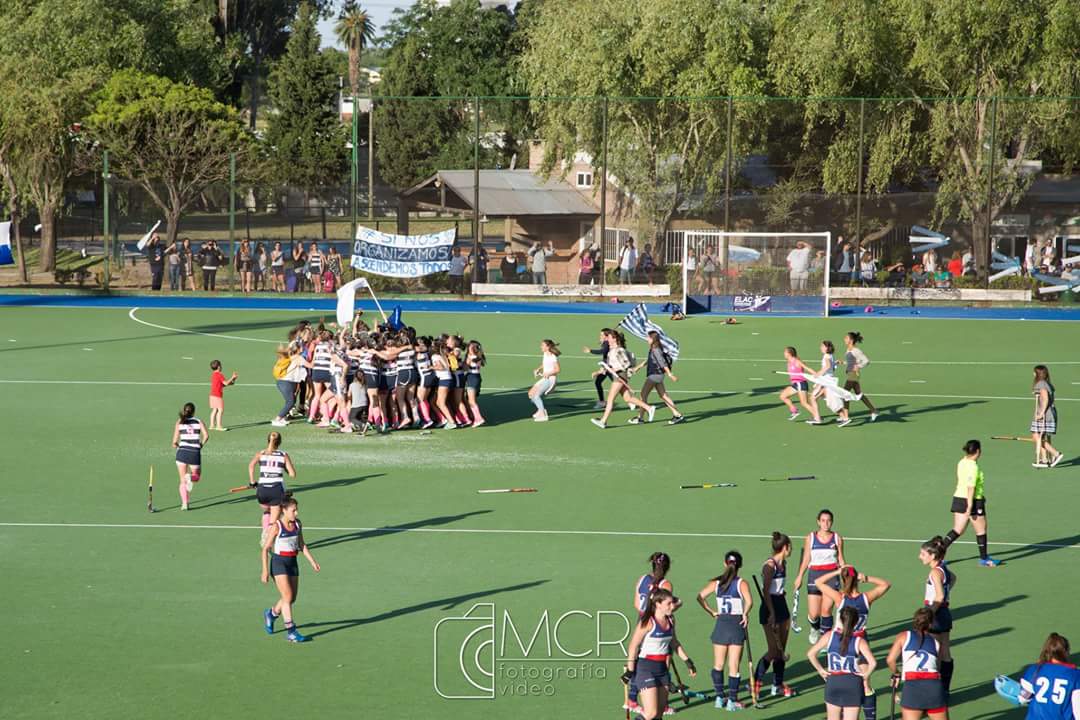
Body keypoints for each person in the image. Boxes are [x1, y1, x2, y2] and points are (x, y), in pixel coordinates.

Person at [624, 588, 696, 720]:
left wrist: (688, 661)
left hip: (662, 669)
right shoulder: (648, 622)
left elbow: (674, 642)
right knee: (650, 713)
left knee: (659, 713)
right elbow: (633, 646)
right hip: (646, 668)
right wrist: (630, 671)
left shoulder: (671, 620)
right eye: (668, 603)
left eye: (672, 603)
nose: (672, 606)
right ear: (658, 604)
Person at [697, 550, 753, 711]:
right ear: (740, 565)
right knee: (733, 665)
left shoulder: (716, 583)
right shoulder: (742, 583)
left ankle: (719, 697)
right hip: (736, 624)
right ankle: (732, 700)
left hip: (721, 624)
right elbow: (749, 602)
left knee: (718, 664)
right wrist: (745, 613)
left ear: (724, 564)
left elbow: (700, 597)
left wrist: (712, 611)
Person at [627, 552, 680, 715]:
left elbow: (637, 604)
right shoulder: (666, 584)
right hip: (657, 625)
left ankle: (632, 699)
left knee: (638, 659)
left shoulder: (642, 579)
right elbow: (668, 608)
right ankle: (659, 702)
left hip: (641, 622)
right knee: (663, 658)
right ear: (668, 567)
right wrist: (679, 604)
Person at [261, 497, 320, 643]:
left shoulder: (298, 524)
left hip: (293, 562)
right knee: (287, 596)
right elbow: (265, 549)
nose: (296, 513)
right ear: (284, 510)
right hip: (279, 563)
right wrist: (265, 571)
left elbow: (302, 544)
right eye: (293, 510)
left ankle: (272, 614)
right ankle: (291, 631)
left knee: (291, 598)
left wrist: (312, 561)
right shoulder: (277, 526)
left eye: (296, 510)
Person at [808, 606, 877, 720]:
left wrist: (820, 670)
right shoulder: (860, 641)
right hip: (853, 683)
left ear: (840, 619)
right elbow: (873, 663)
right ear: (856, 623)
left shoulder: (829, 636)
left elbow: (811, 654)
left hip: (833, 682)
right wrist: (865, 676)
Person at [939, 439, 1000, 566]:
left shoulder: (962, 462)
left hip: (958, 498)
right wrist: (970, 505)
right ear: (978, 451)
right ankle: (984, 559)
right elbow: (970, 486)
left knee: (957, 530)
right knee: (981, 530)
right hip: (971, 500)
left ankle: (937, 556)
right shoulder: (973, 466)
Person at [793, 509, 846, 644]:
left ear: (832, 522)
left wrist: (847, 577)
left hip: (832, 576)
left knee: (826, 609)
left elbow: (841, 559)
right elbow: (806, 559)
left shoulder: (837, 538)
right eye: (823, 520)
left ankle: (825, 640)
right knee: (814, 614)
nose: (826, 523)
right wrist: (799, 576)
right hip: (814, 576)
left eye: (828, 521)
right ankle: (815, 628)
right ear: (818, 522)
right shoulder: (810, 538)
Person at [885, 608, 948, 720]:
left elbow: (890, 660)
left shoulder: (903, 636)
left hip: (913, 687)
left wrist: (897, 673)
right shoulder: (936, 643)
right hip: (934, 687)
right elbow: (937, 668)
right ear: (931, 623)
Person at [754, 532, 796, 699]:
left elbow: (776, 588)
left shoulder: (783, 563)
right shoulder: (769, 566)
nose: (791, 549)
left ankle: (777, 685)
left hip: (781, 605)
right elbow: (766, 591)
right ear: (785, 547)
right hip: (769, 607)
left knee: (781, 650)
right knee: (773, 650)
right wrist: (771, 612)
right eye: (790, 546)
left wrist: (781, 591)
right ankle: (755, 682)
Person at [591, 330, 655, 429]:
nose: (607, 339)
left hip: (620, 376)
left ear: (614, 339)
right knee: (628, 398)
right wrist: (600, 371)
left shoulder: (619, 350)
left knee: (610, 399)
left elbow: (626, 364)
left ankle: (603, 421)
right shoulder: (611, 350)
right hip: (618, 376)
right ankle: (649, 408)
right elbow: (610, 366)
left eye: (609, 338)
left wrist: (614, 369)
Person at [919, 536, 956, 701]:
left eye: (923, 554)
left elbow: (939, 596)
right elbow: (953, 578)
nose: (920, 557)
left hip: (935, 613)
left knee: (933, 653)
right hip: (945, 613)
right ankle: (945, 690)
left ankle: (934, 691)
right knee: (945, 652)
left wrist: (929, 614)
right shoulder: (943, 568)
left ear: (932, 556)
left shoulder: (934, 572)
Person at [247, 431, 296, 540]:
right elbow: (292, 474)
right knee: (274, 521)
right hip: (276, 490)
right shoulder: (283, 455)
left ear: (268, 440)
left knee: (266, 511)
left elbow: (251, 466)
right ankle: (268, 538)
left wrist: (252, 482)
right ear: (280, 442)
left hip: (262, 490)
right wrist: (284, 467)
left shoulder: (261, 453)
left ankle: (265, 530)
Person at [1019, 633, 1080, 718]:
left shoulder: (1034, 670)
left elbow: (1023, 698)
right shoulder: (1076, 675)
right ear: (1066, 651)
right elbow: (1078, 711)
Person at [631, 330, 684, 425]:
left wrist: (670, 374)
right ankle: (677, 414)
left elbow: (662, 363)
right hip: (657, 375)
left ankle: (640, 418)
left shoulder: (656, 349)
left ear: (652, 339)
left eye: (648, 337)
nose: (647, 339)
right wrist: (638, 367)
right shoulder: (654, 348)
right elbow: (649, 359)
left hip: (655, 375)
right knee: (663, 396)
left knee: (643, 395)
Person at [171, 402, 208, 511]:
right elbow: (206, 436)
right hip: (194, 453)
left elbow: (174, 442)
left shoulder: (179, 422)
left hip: (181, 453)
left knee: (182, 481)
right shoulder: (199, 421)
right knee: (196, 477)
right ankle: (190, 477)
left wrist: (179, 447)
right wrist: (199, 446)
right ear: (194, 411)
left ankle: (184, 504)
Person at [840, 331, 878, 425]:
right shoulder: (848, 349)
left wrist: (859, 366)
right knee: (859, 394)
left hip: (853, 375)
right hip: (850, 374)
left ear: (851, 340)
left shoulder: (856, 350)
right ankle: (874, 411)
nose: (844, 339)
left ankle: (846, 417)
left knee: (845, 393)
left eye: (846, 338)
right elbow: (852, 362)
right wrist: (843, 363)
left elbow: (866, 361)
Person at [780, 346, 823, 424]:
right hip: (795, 384)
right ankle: (794, 411)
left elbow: (807, 368)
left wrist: (816, 375)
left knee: (804, 403)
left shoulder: (797, 361)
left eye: (785, 352)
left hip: (801, 383)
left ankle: (817, 416)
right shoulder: (789, 362)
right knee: (783, 396)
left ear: (789, 353)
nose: (784, 353)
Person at [1031, 365, 1063, 468]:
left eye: (1034, 372)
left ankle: (1056, 454)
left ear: (1037, 374)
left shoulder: (1041, 384)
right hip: (1050, 412)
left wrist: (1041, 413)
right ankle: (1044, 459)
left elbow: (1045, 399)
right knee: (1041, 436)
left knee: (1036, 436)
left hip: (1046, 414)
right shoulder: (1047, 383)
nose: (1033, 374)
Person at [272, 344, 309, 427]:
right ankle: (277, 419)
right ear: (298, 349)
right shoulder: (298, 358)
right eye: (301, 347)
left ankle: (282, 418)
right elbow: (311, 365)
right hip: (286, 382)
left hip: (287, 382)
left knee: (290, 400)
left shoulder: (289, 357)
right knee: (291, 402)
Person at [528, 339, 560, 422]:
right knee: (531, 394)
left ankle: (543, 414)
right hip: (545, 378)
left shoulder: (553, 357)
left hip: (550, 379)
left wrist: (549, 373)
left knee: (536, 396)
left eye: (542, 345)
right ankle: (540, 410)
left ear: (548, 347)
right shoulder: (545, 354)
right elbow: (544, 363)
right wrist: (538, 369)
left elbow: (557, 369)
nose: (540, 346)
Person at [584, 328, 614, 410]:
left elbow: (603, 352)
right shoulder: (606, 342)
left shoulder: (607, 343)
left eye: (602, 335)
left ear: (606, 336)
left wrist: (590, 350)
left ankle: (631, 401)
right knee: (598, 382)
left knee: (618, 385)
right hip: (606, 366)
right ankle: (602, 402)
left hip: (610, 367)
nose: (600, 336)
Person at [208, 359, 237, 431]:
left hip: (212, 395)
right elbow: (226, 383)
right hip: (217, 395)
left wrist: (233, 380)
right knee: (220, 410)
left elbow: (224, 384)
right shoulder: (219, 375)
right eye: (220, 365)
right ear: (218, 367)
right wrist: (232, 377)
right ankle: (218, 426)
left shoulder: (213, 375)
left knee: (214, 410)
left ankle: (211, 425)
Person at [464, 340, 486, 428]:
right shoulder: (479, 356)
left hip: (471, 378)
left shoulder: (470, 357)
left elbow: (465, 368)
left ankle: (479, 418)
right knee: (472, 400)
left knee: (471, 401)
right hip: (477, 377)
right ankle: (474, 417)